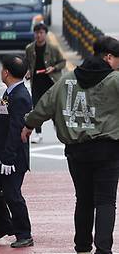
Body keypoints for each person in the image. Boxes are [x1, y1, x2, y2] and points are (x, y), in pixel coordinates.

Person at [21, 36, 119, 254]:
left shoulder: (68, 79)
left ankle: (82, 246)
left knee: (83, 199)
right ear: (109, 57)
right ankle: (103, 250)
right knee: (106, 201)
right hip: (107, 151)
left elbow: (45, 105)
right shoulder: (115, 80)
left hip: (77, 151)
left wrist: (29, 124)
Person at [0, 55, 33, 248]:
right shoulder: (10, 92)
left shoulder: (20, 96)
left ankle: (24, 233)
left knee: (12, 194)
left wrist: (8, 158)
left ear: (6, 72)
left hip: (11, 157)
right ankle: (4, 225)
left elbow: (16, 130)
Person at [24, 22, 65, 143]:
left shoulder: (53, 48)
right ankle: (38, 133)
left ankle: (59, 130)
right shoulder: (30, 48)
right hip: (36, 83)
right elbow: (27, 63)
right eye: (37, 33)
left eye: (41, 33)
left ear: (46, 34)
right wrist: (28, 72)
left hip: (51, 82)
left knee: (54, 108)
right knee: (36, 108)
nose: (39, 35)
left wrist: (54, 68)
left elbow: (62, 62)